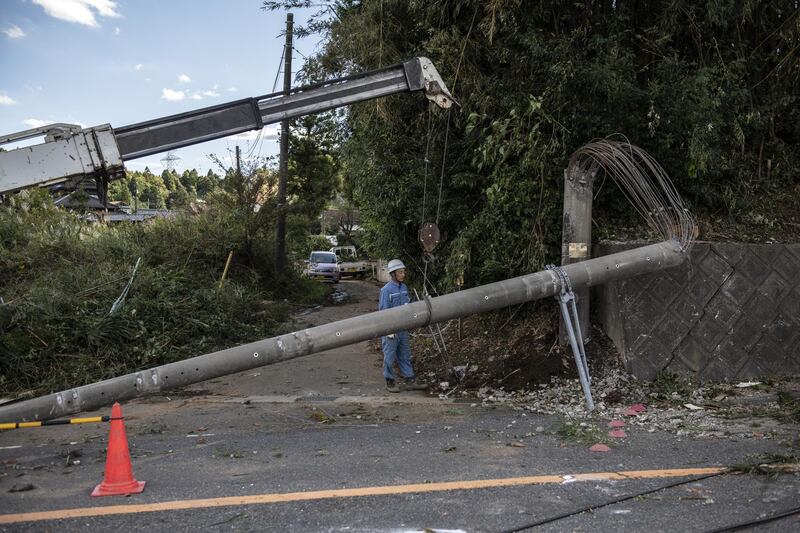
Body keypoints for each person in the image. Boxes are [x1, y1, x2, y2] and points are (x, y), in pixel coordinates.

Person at [379, 259, 427, 393]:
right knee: (389, 356)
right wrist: (388, 330)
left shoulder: (404, 288)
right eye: (400, 272)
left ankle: (410, 380)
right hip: (391, 329)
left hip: (403, 329)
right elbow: (383, 312)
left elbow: (408, 305)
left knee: (405, 355)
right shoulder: (386, 290)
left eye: (403, 272)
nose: (403, 274)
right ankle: (390, 381)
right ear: (393, 274)